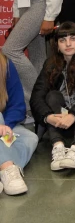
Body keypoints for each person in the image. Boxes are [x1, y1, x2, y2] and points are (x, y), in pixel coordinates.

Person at [30, 22, 75, 170]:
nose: (68, 44)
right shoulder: (50, 63)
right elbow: (36, 96)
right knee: (52, 96)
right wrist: (47, 116)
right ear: (56, 45)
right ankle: (58, 147)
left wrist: (73, 114)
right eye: (62, 40)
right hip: (60, 119)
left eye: (72, 39)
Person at [0, 51, 39, 195]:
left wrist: (6, 127)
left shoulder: (5, 64)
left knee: (31, 138)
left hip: (4, 125)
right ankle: (7, 168)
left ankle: (7, 168)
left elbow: (17, 106)